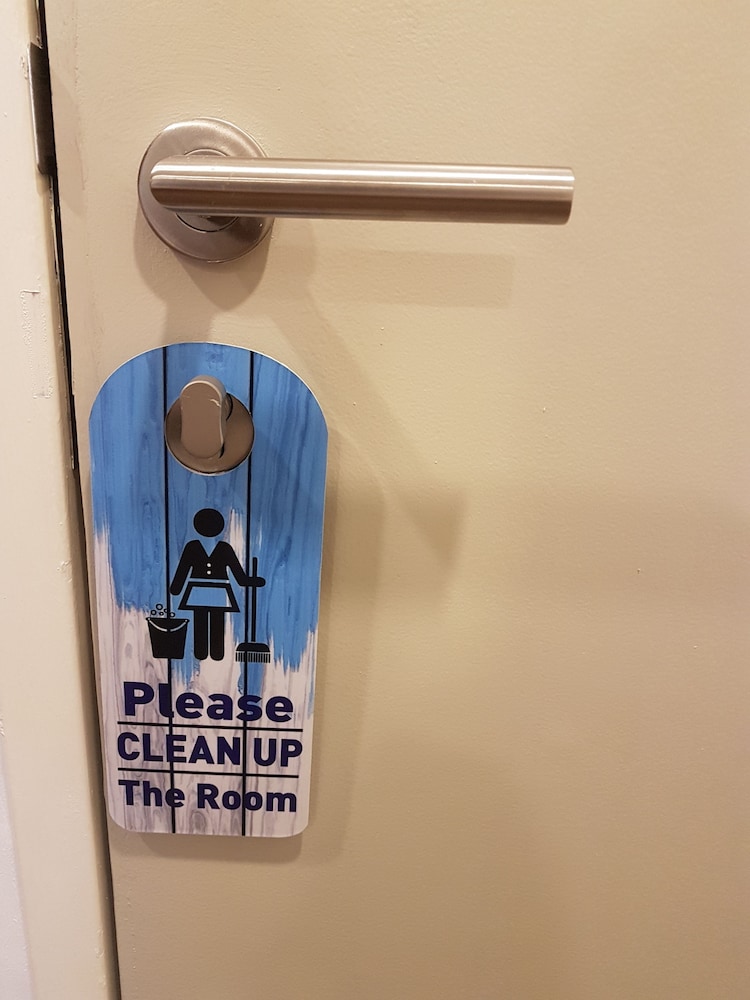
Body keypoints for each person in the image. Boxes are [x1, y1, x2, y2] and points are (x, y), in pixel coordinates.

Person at [169, 507, 262, 661]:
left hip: (219, 590)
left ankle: (217, 651)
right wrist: (176, 588)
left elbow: (237, 572)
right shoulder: (192, 547)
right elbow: (183, 569)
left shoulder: (225, 548)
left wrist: (250, 581)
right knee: (200, 619)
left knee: (217, 620)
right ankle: (200, 652)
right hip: (198, 590)